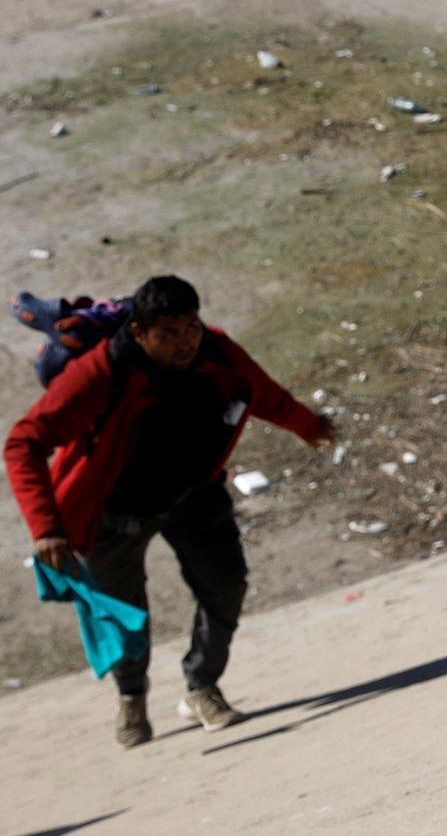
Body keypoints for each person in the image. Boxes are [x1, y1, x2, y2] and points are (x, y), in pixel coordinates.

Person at [4, 276, 334, 748]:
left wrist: (310, 426)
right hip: (114, 512)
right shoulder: (101, 371)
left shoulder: (216, 350)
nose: (184, 343)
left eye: (190, 328)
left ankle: (202, 687)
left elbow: (261, 391)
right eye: (168, 334)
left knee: (226, 585)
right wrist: (46, 528)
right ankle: (131, 697)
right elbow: (23, 443)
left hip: (193, 495)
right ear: (139, 333)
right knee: (123, 615)